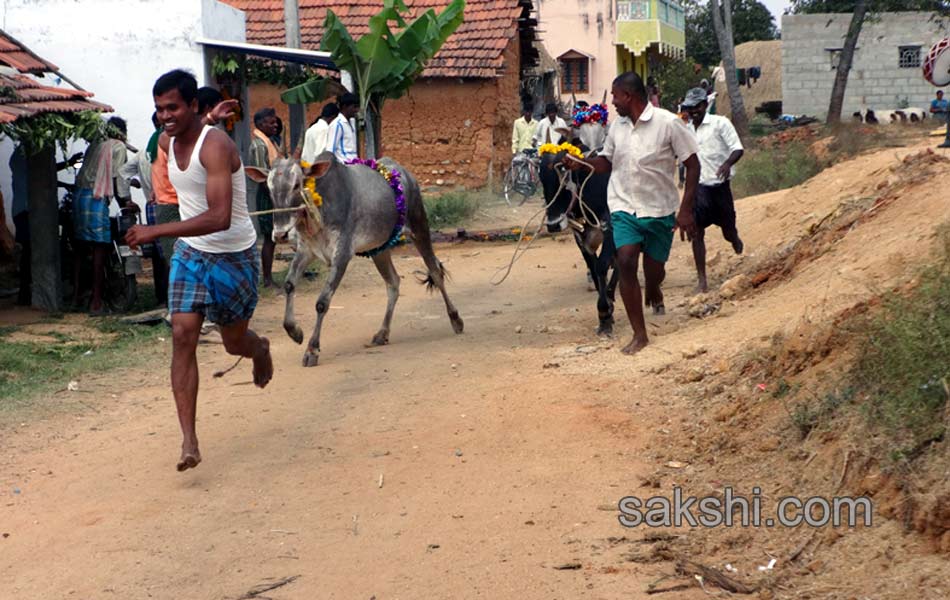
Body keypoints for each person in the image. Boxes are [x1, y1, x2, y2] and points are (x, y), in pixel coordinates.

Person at [125, 69, 272, 472]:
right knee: (182, 334)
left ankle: (258, 348)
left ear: (192, 105)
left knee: (233, 342)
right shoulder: (170, 141)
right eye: (159, 109)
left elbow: (220, 217)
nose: (164, 116)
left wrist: (156, 230)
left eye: (172, 107)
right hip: (192, 254)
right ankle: (189, 441)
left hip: (233, 256)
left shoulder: (217, 145)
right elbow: (188, 139)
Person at [567, 71, 699, 355]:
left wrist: (686, 209)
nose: (612, 102)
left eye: (615, 96)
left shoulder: (669, 124)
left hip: (659, 209)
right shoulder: (617, 128)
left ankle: (653, 286)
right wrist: (582, 164)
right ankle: (640, 335)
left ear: (629, 96)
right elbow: (606, 162)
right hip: (624, 206)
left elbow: (693, 165)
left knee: (654, 270)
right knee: (625, 260)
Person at [681, 87, 745, 293]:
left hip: (720, 189)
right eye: (690, 108)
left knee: (728, 229)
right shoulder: (686, 130)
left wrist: (727, 164)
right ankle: (702, 280)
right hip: (699, 189)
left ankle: (734, 239)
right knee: (696, 233)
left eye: (697, 106)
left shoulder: (720, 123)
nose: (693, 111)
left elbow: (737, 148)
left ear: (705, 105)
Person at [72, 116, 135, 314]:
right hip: (97, 198)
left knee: (81, 250)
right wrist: (126, 202)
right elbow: (118, 179)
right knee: (101, 249)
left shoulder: (96, 143)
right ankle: (97, 303)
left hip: (79, 196)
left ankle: (76, 298)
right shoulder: (118, 147)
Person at [249, 107, 280, 288]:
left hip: (273, 192)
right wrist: (275, 198)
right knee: (269, 237)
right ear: (261, 125)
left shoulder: (270, 142)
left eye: (275, 122)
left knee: (273, 237)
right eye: (271, 122)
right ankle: (267, 278)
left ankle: (269, 277)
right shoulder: (260, 145)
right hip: (267, 194)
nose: (275, 125)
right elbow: (263, 177)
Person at [327, 93, 359, 162]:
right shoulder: (337, 124)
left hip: (355, 164)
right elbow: (330, 150)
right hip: (344, 166)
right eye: (354, 107)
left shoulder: (352, 123)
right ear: (345, 107)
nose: (357, 110)